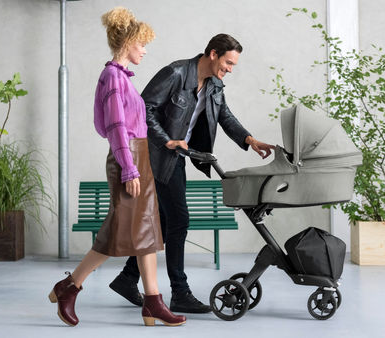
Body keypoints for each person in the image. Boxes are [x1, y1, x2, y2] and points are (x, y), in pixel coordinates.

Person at [109, 34, 275, 313]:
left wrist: (250, 140)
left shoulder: (214, 85)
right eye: (228, 63)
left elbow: (225, 115)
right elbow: (142, 108)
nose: (230, 69)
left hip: (177, 156)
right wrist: (166, 140)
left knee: (164, 220)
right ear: (213, 54)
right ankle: (180, 292)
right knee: (179, 220)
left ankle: (127, 278)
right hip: (157, 155)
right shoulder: (175, 73)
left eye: (233, 65)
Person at [48, 7, 186, 327]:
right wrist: (129, 168)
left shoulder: (122, 78)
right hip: (129, 159)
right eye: (142, 43)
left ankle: (152, 301)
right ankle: (70, 287)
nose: (145, 49)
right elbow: (115, 127)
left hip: (140, 158)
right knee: (119, 230)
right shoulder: (112, 77)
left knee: (147, 229)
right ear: (127, 43)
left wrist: (138, 163)